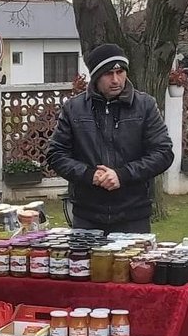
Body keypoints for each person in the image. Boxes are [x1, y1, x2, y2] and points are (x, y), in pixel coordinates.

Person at [44, 43, 174, 233]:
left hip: (133, 215)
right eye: (108, 74)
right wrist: (89, 175)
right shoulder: (74, 109)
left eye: (120, 72)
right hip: (87, 216)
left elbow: (163, 153)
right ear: (96, 77)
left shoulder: (145, 106)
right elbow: (56, 154)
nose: (115, 80)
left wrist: (123, 175)